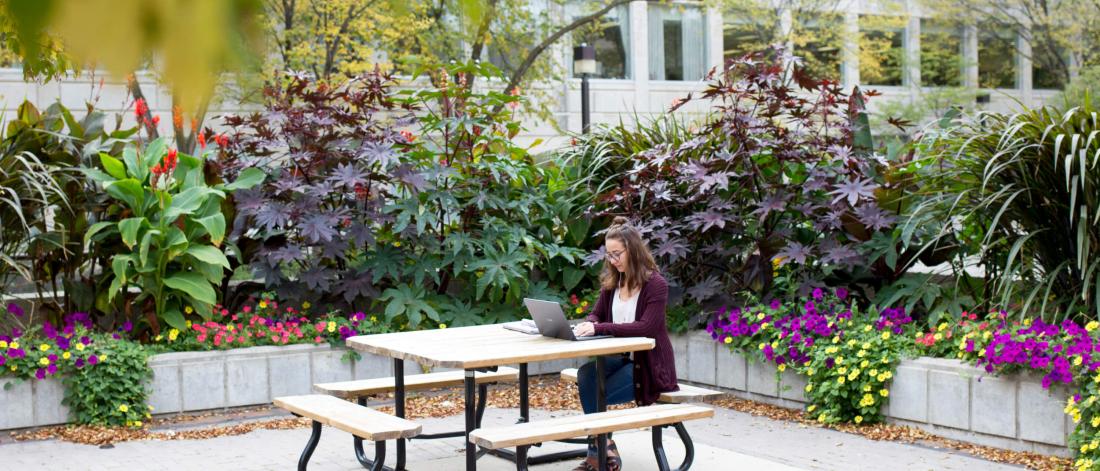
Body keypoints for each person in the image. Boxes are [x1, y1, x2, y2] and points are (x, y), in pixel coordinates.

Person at [570, 216, 678, 471]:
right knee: (587, 375)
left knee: (596, 391)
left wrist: (600, 327)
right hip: (620, 359)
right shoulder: (613, 282)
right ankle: (603, 445)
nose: (613, 260)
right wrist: (590, 325)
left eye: (617, 254)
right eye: (609, 255)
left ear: (633, 250)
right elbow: (597, 314)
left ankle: (597, 453)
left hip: (650, 366)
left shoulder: (655, 285)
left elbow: (646, 328)